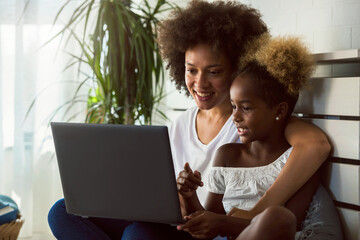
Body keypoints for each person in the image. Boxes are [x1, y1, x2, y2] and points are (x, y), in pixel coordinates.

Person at [48, 1, 336, 239]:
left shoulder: (255, 122)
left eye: (213, 71)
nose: (200, 83)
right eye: (191, 70)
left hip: (190, 232)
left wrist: (254, 212)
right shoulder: (181, 124)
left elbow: (315, 145)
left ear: (238, 69)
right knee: (62, 211)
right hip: (173, 222)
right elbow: (172, 201)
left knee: (138, 233)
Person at [176, 36, 319, 239]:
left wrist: (223, 223)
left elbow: (288, 228)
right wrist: (188, 196)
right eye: (234, 106)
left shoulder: (296, 163)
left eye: (246, 108)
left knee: (277, 217)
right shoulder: (226, 155)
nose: (235, 116)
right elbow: (209, 225)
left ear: (280, 110)